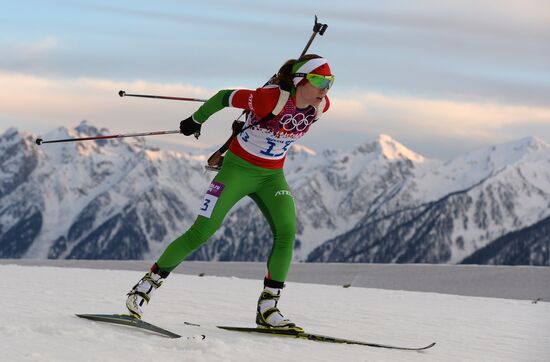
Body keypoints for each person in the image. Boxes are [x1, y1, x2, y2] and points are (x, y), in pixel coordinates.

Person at [125, 54, 334, 332]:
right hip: (237, 171)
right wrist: (195, 120)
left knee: (287, 232)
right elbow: (225, 96)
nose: (325, 89)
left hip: (272, 176)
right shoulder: (269, 99)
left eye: (330, 82)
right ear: (300, 80)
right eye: (319, 80)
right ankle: (142, 290)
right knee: (202, 231)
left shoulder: (322, 107)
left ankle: (268, 308)